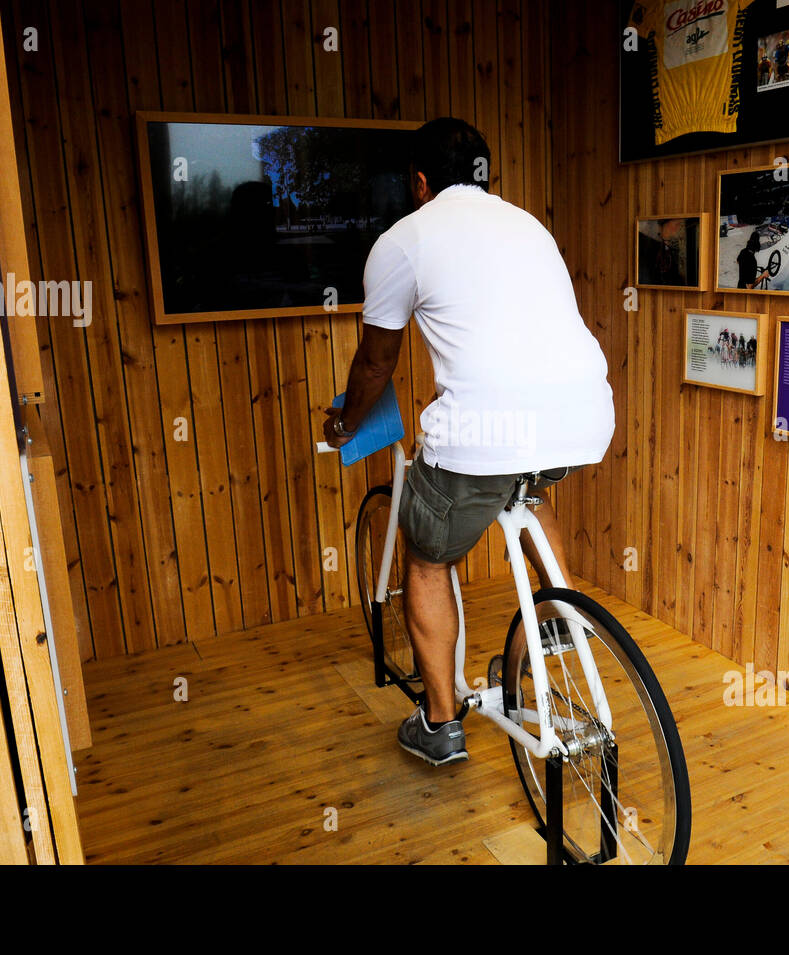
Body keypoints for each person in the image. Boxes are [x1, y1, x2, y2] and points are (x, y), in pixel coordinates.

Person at [324, 118, 615, 767]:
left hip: (485, 429)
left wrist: (343, 423)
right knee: (531, 495)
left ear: (418, 181)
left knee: (427, 556)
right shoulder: (528, 226)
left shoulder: (403, 240)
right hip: (583, 415)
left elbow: (375, 365)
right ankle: (558, 625)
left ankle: (439, 723)